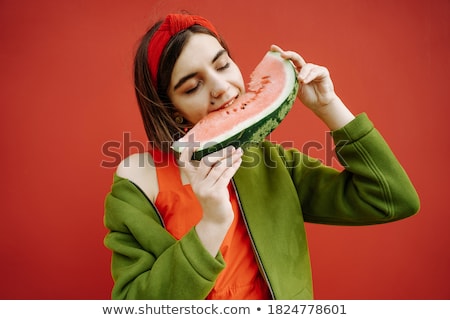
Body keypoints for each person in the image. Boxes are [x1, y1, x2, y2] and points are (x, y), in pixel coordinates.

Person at [103, 12, 420, 300]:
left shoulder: (272, 163)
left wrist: (329, 107)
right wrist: (212, 223)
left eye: (223, 64)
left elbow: (390, 198)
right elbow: (134, 305)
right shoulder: (139, 182)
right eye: (192, 87)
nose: (221, 87)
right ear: (172, 112)